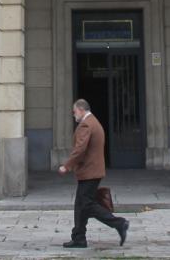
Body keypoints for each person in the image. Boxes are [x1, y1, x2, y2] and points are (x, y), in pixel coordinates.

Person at [58, 99, 129, 248]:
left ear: (81, 110)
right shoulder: (93, 121)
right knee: (80, 205)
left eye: (74, 111)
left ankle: (119, 223)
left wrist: (67, 166)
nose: (73, 115)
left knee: (87, 204)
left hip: (89, 171)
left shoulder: (86, 124)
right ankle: (79, 238)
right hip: (92, 171)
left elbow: (80, 149)